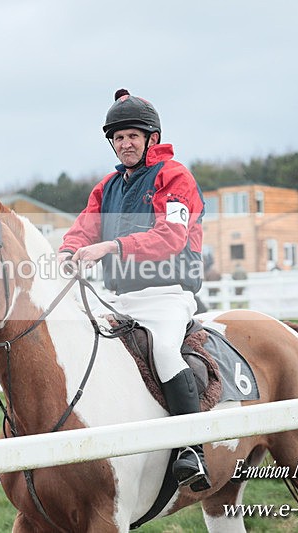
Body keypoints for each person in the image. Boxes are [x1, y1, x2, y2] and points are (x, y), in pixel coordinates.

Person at [58, 89, 209, 491]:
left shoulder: (175, 176)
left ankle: (191, 449)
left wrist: (112, 246)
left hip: (167, 295)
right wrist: (67, 252)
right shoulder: (106, 188)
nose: (125, 144)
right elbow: (84, 227)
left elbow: (171, 236)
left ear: (151, 139)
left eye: (132, 136)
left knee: (161, 350)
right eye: (118, 137)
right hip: (120, 299)